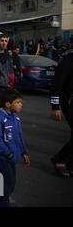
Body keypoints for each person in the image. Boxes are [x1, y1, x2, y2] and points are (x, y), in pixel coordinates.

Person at [0, 88, 30, 207]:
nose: (21, 105)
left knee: (8, 182)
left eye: (20, 102)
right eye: (18, 102)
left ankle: (0, 198)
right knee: (8, 182)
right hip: (3, 157)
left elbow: (20, 137)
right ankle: (3, 202)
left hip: (13, 156)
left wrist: (24, 152)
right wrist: (8, 153)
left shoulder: (16, 118)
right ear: (8, 104)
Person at [49, 46, 73, 178]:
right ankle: (60, 159)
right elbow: (56, 86)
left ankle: (68, 160)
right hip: (69, 103)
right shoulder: (67, 62)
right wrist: (55, 107)